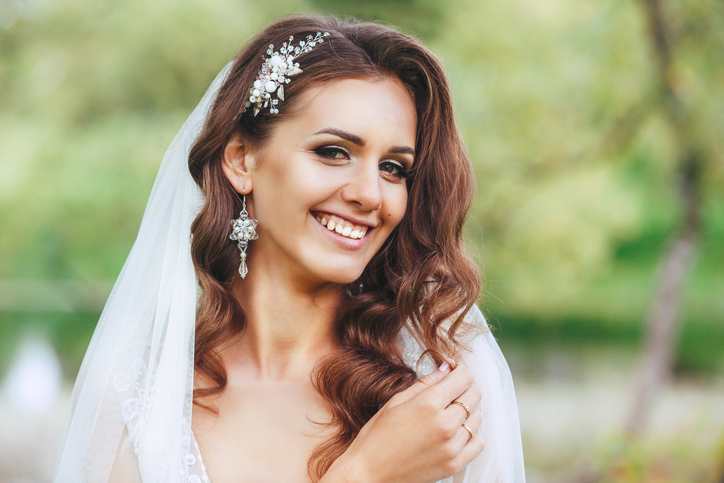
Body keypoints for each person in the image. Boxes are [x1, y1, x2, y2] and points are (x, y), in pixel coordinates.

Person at [53, 15, 525, 483]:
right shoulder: (137, 395)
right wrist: (363, 474)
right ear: (242, 160)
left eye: (394, 168)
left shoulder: (439, 394)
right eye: (334, 152)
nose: (370, 194)